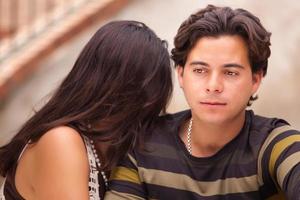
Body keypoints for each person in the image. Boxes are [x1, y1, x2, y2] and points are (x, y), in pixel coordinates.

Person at [105, 5, 300, 200]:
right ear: (181, 75)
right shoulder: (142, 146)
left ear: (255, 80)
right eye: (200, 70)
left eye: (230, 73)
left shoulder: (275, 144)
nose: (213, 86)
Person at [0, 20, 173, 200]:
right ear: (117, 89)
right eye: (145, 100)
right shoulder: (61, 141)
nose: (148, 114)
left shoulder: (112, 148)